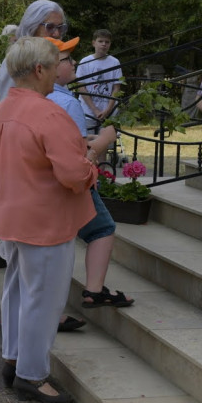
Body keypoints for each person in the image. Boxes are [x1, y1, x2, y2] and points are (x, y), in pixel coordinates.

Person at [0, 37, 99, 403]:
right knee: (44, 299)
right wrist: (93, 162)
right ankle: (32, 376)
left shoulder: (6, 107)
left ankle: (14, 359)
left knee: (18, 291)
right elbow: (72, 174)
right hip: (45, 219)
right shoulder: (49, 113)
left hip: (14, 214)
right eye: (54, 66)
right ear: (39, 70)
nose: (58, 72)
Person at [47, 38, 134, 310]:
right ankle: (94, 290)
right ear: (49, 66)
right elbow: (77, 154)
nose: (73, 63)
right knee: (102, 227)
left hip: (45, 183)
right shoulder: (66, 101)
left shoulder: (31, 97)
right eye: (66, 59)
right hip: (72, 181)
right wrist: (104, 140)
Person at [0, 0, 69, 100]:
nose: (56, 33)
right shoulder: (17, 60)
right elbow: (9, 106)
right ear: (32, 26)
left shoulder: (51, 58)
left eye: (60, 27)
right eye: (50, 27)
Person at [76, 29, 123, 133]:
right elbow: (81, 87)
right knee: (88, 144)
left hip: (109, 112)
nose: (103, 44)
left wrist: (108, 110)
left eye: (107, 42)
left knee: (106, 145)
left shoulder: (115, 62)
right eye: (100, 41)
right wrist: (95, 110)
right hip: (87, 112)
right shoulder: (85, 62)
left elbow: (116, 88)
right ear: (94, 43)